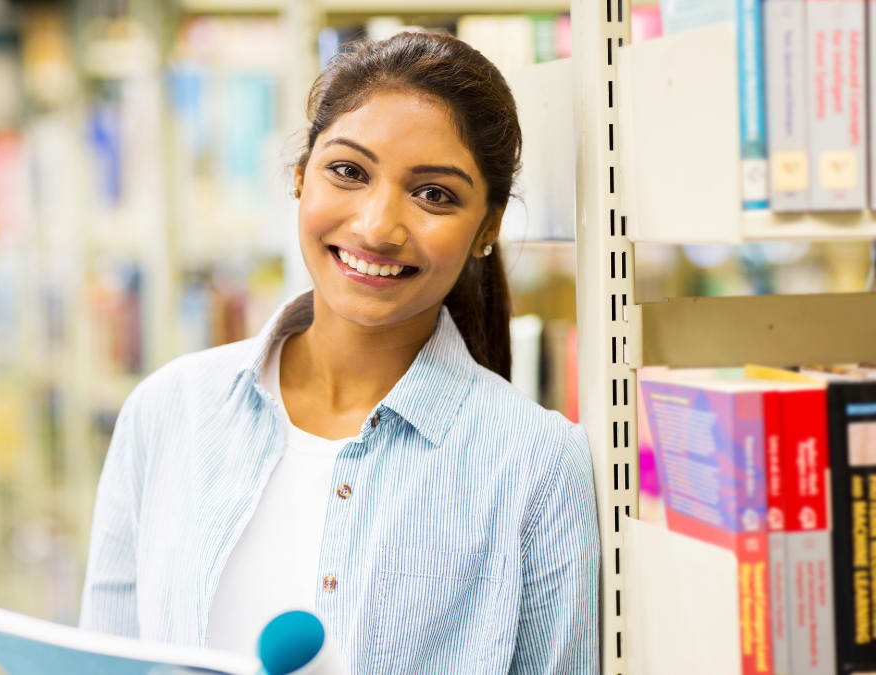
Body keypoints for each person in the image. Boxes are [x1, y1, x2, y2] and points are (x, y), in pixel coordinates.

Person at [78, 30, 599, 674]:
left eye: (435, 194)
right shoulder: (168, 409)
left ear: (487, 227)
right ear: (300, 177)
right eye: (349, 172)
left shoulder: (538, 466)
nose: (378, 226)